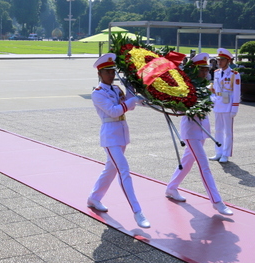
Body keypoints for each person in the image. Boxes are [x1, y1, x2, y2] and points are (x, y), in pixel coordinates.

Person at [86, 53, 150, 229]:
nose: (112, 75)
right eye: (108, 72)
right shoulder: (97, 93)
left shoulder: (116, 89)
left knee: (110, 169)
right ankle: (137, 212)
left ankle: (94, 198)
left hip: (121, 134)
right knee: (124, 170)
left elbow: (128, 102)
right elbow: (114, 111)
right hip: (110, 136)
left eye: (113, 71)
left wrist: (133, 86)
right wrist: (131, 102)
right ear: (100, 74)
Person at [165, 53, 233, 215]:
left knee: (187, 161)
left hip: (203, 131)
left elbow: (214, 100)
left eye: (206, 70)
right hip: (191, 132)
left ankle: (171, 187)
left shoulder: (204, 86)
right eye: (202, 70)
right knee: (204, 166)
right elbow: (179, 108)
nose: (205, 73)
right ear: (194, 70)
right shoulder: (187, 88)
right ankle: (217, 201)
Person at [210, 48, 240, 163]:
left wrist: (235, 108)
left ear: (228, 61)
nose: (219, 62)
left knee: (228, 131)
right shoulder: (216, 73)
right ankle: (218, 152)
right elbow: (215, 89)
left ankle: (226, 154)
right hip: (218, 104)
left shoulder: (234, 74)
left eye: (222, 60)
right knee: (217, 130)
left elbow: (237, 92)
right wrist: (213, 99)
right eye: (218, 60)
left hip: (228, 105)